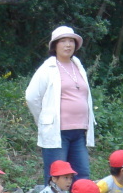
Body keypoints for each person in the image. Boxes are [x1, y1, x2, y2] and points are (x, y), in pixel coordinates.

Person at [26, 25, 95, 184]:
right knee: (56, 179)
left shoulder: (78, 66)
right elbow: (31, 97)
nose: (68, 45)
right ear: (54, 45)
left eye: (71, 41)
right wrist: (44, 119)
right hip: (57, 133)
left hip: (79, 132)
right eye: (63, 41)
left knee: (81, 176)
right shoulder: (48, 68)